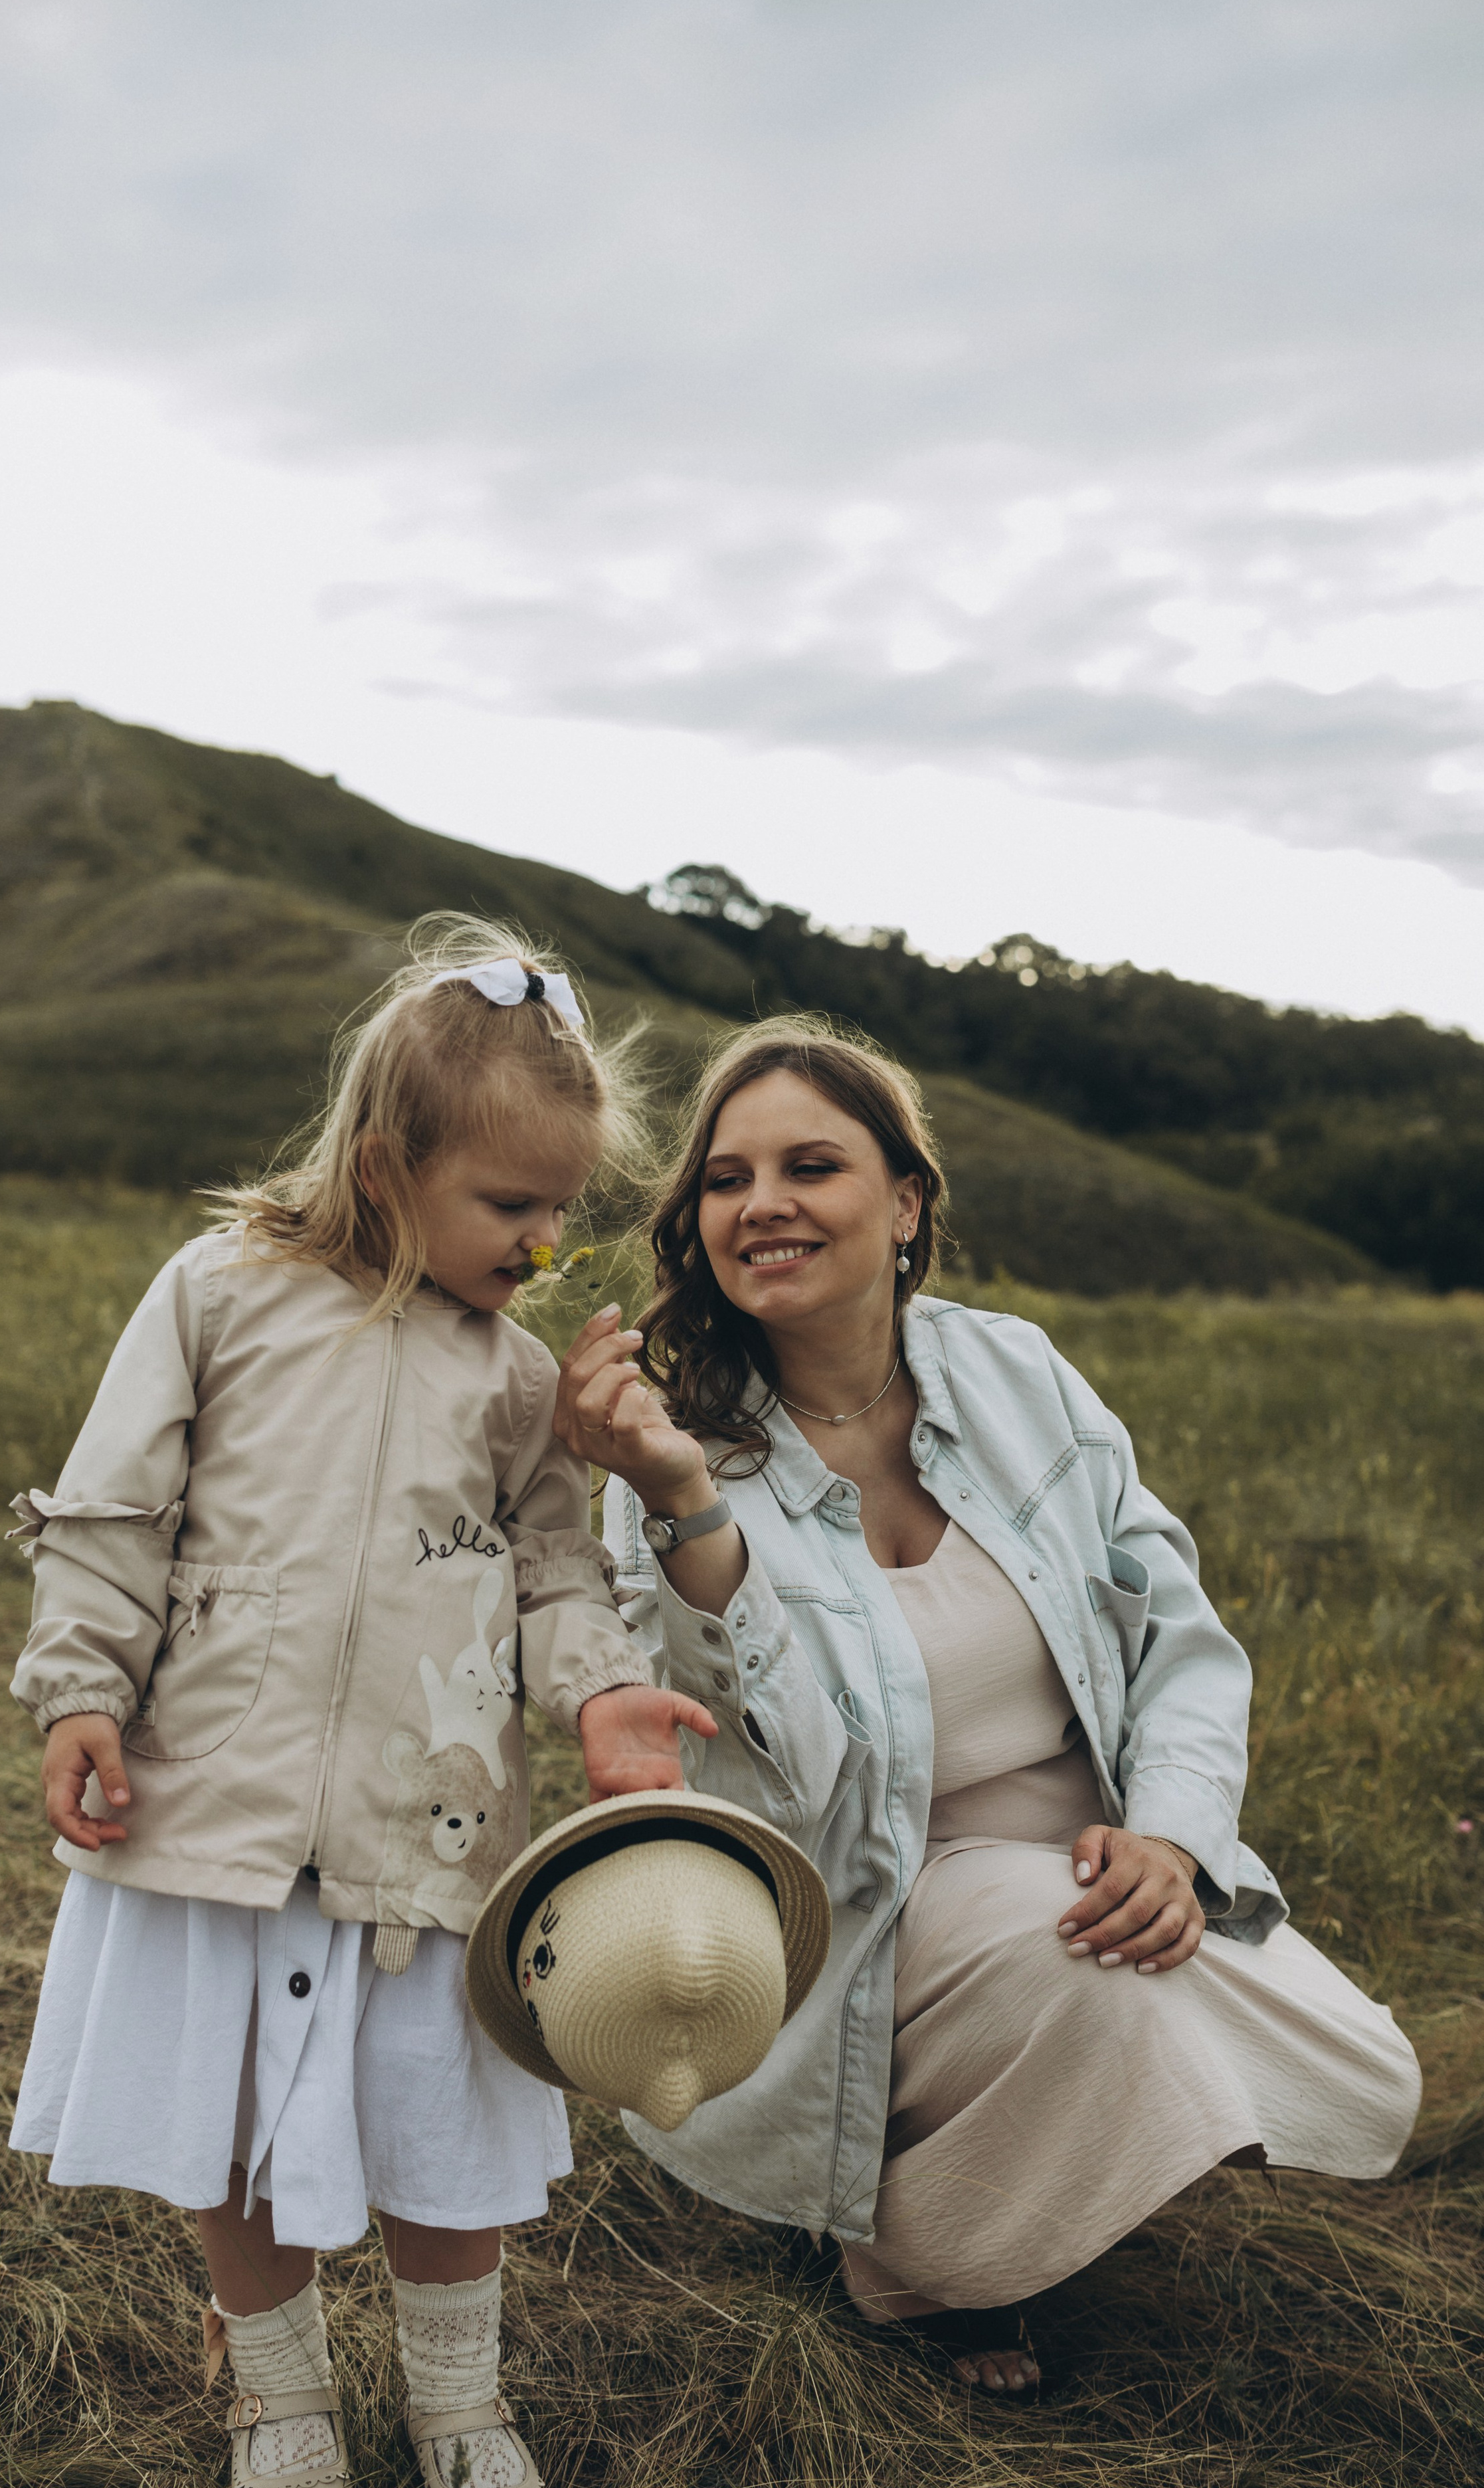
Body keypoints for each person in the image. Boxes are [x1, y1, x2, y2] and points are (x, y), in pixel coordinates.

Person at [555, 1017, 1422, 2396]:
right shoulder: (667, 1448)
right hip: (859, 1887)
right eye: (725, 1179)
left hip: (1090, 1838)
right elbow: (779, 1765)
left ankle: (1049, 2112)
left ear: (902, 1204)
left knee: (1362, 2072)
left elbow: (1179, 1644)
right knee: (1081, 1962)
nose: (762, 1203)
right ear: (696, 1223)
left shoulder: (1015, 1376)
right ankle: (924, 2261)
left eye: (809, 1165)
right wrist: (682, 1504)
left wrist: (1175, 1841)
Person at [5, 919, 713, 2488]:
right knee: (234, 2128)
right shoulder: (221, 1293)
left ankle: (460, 2404)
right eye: (511, 1205)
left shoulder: (520, 1379)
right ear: (389, 1167)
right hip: (218, 1806)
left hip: (431, 1819)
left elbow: (551, 1570)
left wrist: (602, 1693)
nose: (544, 1245)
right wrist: (79, 1691)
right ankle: (282, 2405)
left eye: (561, 1212)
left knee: (435, 2121)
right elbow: (118, 1510)